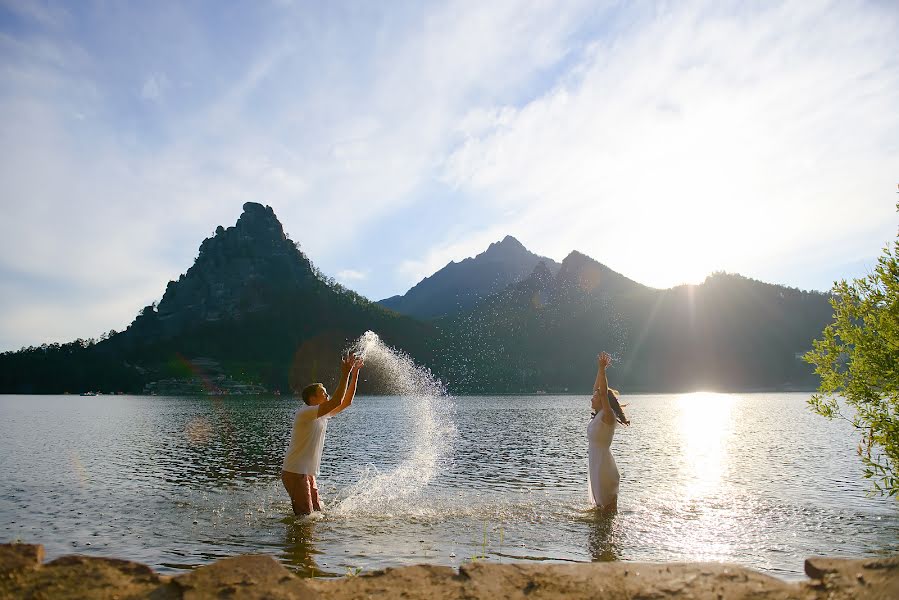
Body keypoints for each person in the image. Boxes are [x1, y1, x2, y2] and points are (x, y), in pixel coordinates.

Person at [282, 353, 363, 515]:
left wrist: (355, 374)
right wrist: (345, 373)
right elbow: (337, 401)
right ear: (312, 398)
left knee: (317, 513)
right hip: (296, 471)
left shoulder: (322, 414)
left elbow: (346, 402)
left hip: (307, 472)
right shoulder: (305, 413)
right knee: (305, 517)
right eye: (323, 393)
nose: (327, 395)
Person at [588, 351, 630, 512]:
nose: (592, 398)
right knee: (601, 512)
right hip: (596, 465)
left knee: (607, 514)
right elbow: (598, 389)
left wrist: (602, 369)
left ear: (603, 400)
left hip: (604, 467)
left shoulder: (608, 416)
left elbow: (603, 392)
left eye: (595, 397)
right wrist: (599, 371)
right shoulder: (599, 415)